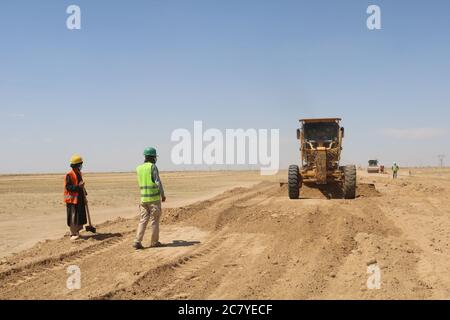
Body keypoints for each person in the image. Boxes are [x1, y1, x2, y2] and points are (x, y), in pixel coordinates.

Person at [133, 147, 166, 250]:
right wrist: (162, 194)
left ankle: (137, 241)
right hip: (154, 199)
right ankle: (154, 242)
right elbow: (157, 182)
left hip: (143, 199)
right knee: (154, 221)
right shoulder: (153, 167)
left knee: (143, 220)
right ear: (153, 157)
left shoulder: (139, 168)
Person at [64, 154, 87, 241]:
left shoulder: (79, 173)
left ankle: (77, 232)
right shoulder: (69, 174)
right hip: (72, 200)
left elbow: (81, 186)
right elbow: (68, 187)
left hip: (79, 198)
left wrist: (85, 195)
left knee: (79, 216)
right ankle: (73, 234)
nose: (81, 166)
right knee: (73, 217)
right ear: (77, 165)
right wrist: (78, 186)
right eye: (80, 164)